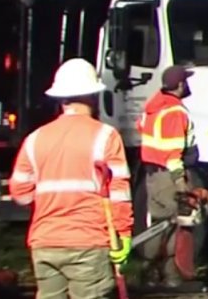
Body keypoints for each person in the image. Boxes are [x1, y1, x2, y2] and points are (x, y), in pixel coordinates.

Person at [8, 58, 133, 299]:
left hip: (44, 242)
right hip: (87, 243)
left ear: (61, 99)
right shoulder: (106, 136)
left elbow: (20, 195)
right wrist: (124, 233)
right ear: (92, 96)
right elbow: (119, 190)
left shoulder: (35, 139)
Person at [136, 65, 201, 288]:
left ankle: (149, 274)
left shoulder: (153, 106)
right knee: (178, 224)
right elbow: (174, 154)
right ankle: (172, 277)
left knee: (158, 224)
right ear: (181, 84)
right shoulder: (175, 112)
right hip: (169, 176)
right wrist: (181, 182)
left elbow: (141, 129)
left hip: (152, 175)